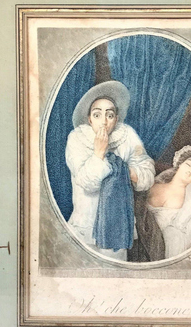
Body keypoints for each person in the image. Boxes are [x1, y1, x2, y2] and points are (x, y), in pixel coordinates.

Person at [65, 81, 155, 261]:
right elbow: (86, 183)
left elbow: (147, 171)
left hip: (117, 226)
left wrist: (124, 172)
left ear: (116, 118)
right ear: (89, 118)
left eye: (110, 115)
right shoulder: (77, 138)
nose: (104, 122)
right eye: (97, 115)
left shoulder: (127, 135)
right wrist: (99, 153)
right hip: (86, 226)